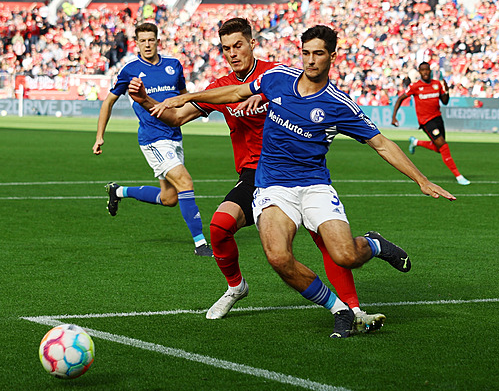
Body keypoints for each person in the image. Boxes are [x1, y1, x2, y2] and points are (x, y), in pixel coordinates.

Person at [130, 25, 456, 338]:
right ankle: (340, 309)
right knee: (277, 256)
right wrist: (183, 97)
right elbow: (234, 91)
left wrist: (421, 180)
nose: (311, 60)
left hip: (315, 187)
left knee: (344, 255)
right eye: (306, 53)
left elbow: (381, 143)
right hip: (271, 185)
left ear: (332, 56)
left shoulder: (338, 104)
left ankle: (373, 244)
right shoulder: (276, 80)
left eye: (318, 53)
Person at [92, 22, 212, 257]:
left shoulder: (173, 65)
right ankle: (201, 244)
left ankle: (118, 192)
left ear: (158, 41)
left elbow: (183, 97)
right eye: (142, 40)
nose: (147, 44)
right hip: (153, 139)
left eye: (151, 39)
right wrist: (99, 136)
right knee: (186, 182)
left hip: (174, 136)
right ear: (136, 43)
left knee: (169, 198)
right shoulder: (130, 70)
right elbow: (108, 102)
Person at [391, 62, 470, 185]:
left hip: (438, 118)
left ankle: (416, 142)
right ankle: (458, 176)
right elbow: (400, 99)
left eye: (427, 70)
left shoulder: (436, 84)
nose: (425, 72)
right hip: (426, 121)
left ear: (430, 71)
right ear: (419, 72)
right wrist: (394, 117)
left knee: (439, 149)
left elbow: (444, 102)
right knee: (443, 145)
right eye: (423, 70)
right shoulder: (415, 86)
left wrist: (447, 91)